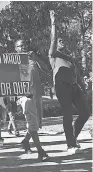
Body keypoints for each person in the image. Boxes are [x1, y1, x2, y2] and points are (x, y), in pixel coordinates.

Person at [49, 10, 90, 154]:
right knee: (67, 114)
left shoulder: (70, 58)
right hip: (62, 87)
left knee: (85, 112)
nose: (62, 42)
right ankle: (70, 144)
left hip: (75, 87)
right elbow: (53, 40)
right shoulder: (53, 55)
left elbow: (76, 75)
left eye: (63, 41)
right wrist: (53, 23)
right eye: (60, 41)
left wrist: (83, 87)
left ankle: (74, 137)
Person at [15, 39, 50, 161]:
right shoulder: (13, 62)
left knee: (37, 124)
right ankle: (40, 151)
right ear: (16, 48)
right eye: (20, 46)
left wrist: (36, 58)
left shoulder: (32, 59)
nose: (23, 47)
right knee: (33, 123)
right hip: (25, 96)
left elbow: (46, 68)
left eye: (24, 44)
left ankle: (25, 141)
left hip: (37, 94)